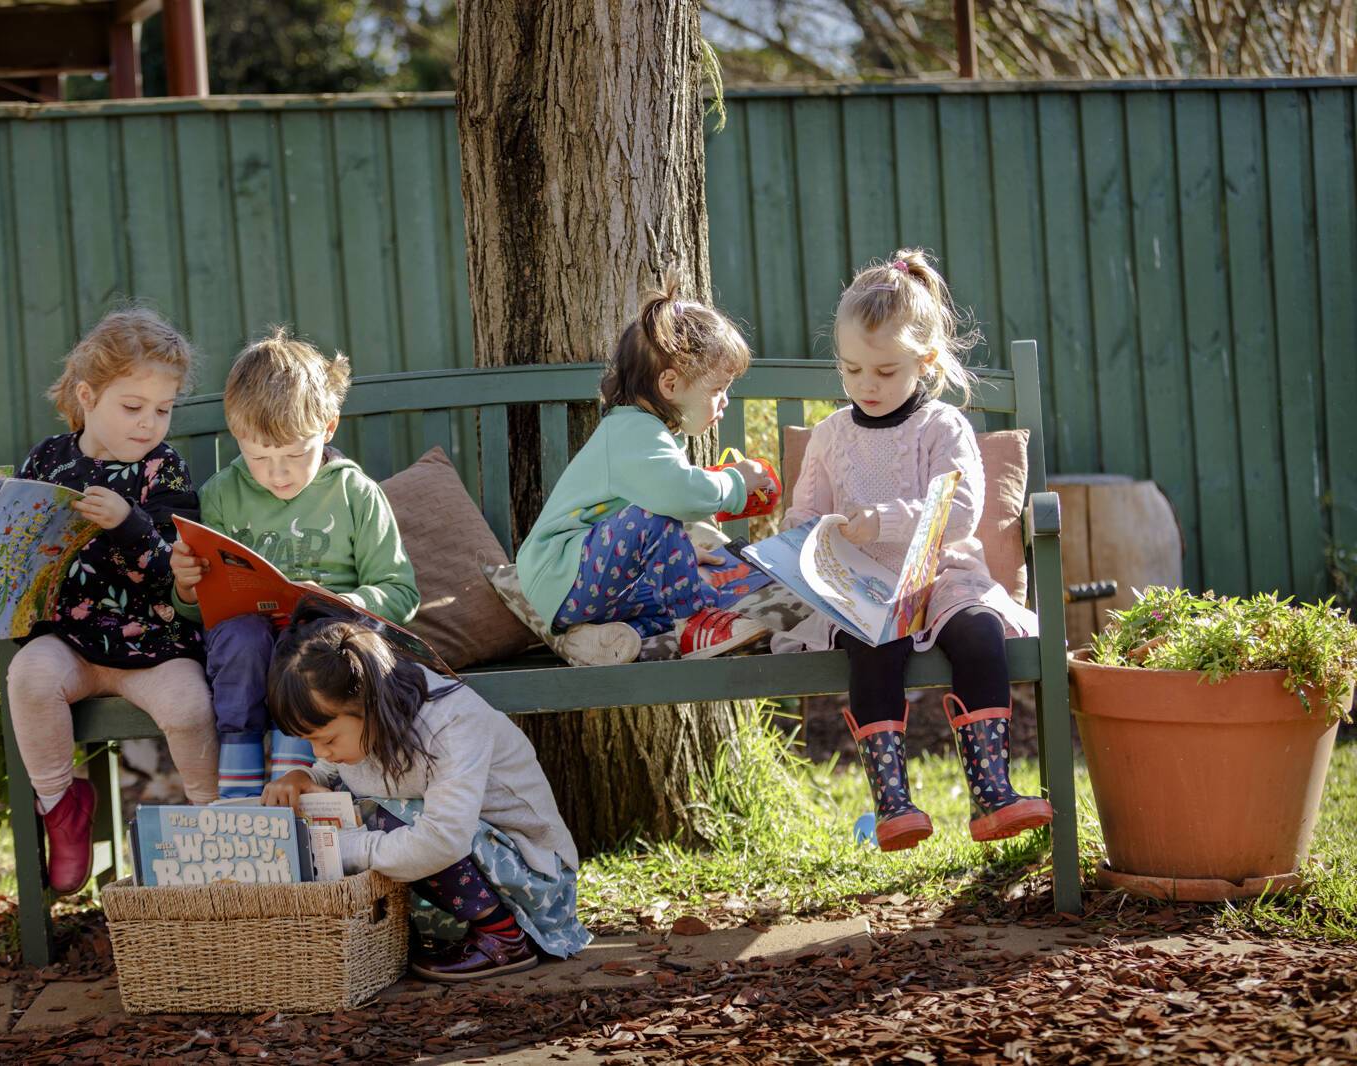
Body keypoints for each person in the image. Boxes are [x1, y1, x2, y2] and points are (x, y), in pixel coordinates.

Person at [780, 249, 1051, 851]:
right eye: (851, 371)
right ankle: (894, 803)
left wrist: (881, 520)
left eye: (884, 372)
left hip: (943, 576)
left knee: (979, 633)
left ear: (925, 361)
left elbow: (959, 512)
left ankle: (991, 793)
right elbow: (802, 517)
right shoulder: (830, 437)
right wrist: (807, 535)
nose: (865, 386)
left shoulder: (941, 428)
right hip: (867, 589)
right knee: (873, 645)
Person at [262, 600, 590, 982]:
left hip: (533, 882)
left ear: (368, 701)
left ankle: (504, 937)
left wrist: (349, 848)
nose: (322, 752)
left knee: (386, 818)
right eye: (311, 743)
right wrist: (308, 778)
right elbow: (335, 770)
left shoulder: (451, 723)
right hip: (472, 869)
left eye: (328, 739)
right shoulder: (371, 720)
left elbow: (444, 839)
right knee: (371, 813)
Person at [6, 307, 219, 894]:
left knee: (189, 706)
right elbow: (25, 551)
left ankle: (215, 819)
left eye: (163, 409)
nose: (148, 423)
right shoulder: (47, 461)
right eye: (132, 407)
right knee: (28, 676)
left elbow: (172, 575)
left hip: (152, 641)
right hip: (69, 640)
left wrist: (128, 523)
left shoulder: (163, 470)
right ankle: (62, 807)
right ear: (86, 395)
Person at [170, 327, 418, 800]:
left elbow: (400, 592)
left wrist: (343, 602)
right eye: (258, 456)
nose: (277, 472)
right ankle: (239, 794)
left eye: (293, 455)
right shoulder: (223, 494)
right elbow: (199, 614)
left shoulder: (355, 494)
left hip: (326, 650)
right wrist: (186, 588)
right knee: (240, 638)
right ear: (237, 436)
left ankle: (296, 777)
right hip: (247, 649)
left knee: (306, 636)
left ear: (327, 428)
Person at [515, 279, 776, 664]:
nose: (724, 402)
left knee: (686, 590)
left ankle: (592, 640)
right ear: (669, 384)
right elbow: (677, 496)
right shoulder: (632, 432)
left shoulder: (648, 431)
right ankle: (696, 625)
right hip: (563, 572)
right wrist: (736, 482)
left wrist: (680, 556)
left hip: (587, 583)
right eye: (719, 389)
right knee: (657, 518)